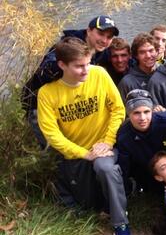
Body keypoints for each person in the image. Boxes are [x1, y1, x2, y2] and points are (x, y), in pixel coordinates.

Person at [37, 37, 129, 235]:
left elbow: (118, 109)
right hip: (76, 152)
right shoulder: (47, 94)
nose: (86, 70)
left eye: (88, 63)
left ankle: (120, 221)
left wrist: (107, 141)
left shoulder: (99, 74)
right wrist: (84, 154)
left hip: (104, 147)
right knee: (88, 206)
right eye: (79, 66)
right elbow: (52, 134)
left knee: (105, 168)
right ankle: (119, 190)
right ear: (62, 65)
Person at [22, 15, 119, 146]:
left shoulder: (101, 51)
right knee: (52, 148)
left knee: (72, 144)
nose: (104, 40)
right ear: (89, 31)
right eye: (101, 34)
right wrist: (66, 65)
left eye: (109, 37)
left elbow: (120, 63)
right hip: (38, 105)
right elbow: (47, 68)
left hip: (68, 106)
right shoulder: (67, 47)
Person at [116, 89, 166, 195]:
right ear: (128, 114)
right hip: (149, 180)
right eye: (136, 113)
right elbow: (125, 168)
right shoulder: (124, 136)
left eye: (146, 112)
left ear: (152, 111)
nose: (142, 118)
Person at [117, 33, 159, 102]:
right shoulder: (127, 82)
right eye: (142, 52)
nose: (148, 56)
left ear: (157, 52)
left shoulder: (164, 73)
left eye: (151, 50)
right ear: (136, 55)